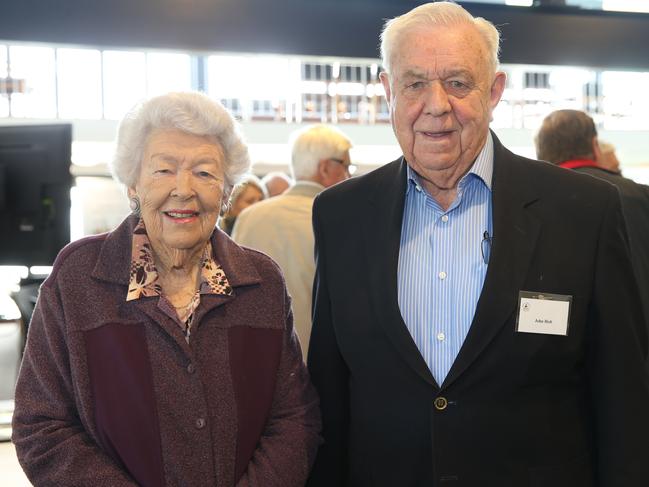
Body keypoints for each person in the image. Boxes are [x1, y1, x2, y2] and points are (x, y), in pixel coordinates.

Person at [306, 3, 649, 486]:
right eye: (415, 83)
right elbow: (329, 393)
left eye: (459, 82)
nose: (437, 104)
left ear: (494, 91)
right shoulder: (340, 215)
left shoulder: (585, 211)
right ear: (388, 91)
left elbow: (624, 401)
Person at [12, 92, 320, 487]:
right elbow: (42, 426)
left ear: (226, 193)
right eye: (163, 170)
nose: (184, 189)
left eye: (205, 173)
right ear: (133, 186)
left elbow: (295, 418)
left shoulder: (261, 282)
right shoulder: (78, 278)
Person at [536, 108, 649, 371]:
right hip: (639, 352)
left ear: (541, 153)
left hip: (558, 356)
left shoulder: (530, 201)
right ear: (594, 146)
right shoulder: (642, 198)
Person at [232, 125, 353, 358]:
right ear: (326, 168)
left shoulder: (249, 218)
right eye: (346, 166)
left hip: (254, 360)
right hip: (314, 365)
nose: (348, 176)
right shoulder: (340, 222)